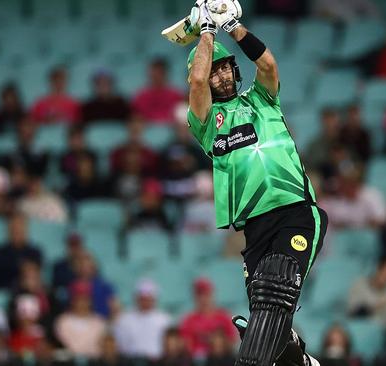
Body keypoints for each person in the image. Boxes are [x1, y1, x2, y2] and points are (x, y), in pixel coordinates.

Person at [185, 3, 329, 365]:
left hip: (295, 211)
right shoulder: (207, 123)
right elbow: (197, 81)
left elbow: (266, 64)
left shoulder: (264, 100)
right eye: (213, 72)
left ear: (234, 68)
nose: (218, 77)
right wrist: (206, 32)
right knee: (268, 315)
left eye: (224, 68)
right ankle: (299, 356)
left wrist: (231, 25)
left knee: (275, 289)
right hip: (255, 228)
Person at [113, 279, 171, 359]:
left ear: (154, 299)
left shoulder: (164, 320)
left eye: (148, 298)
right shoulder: (124, 320)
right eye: (142, 298)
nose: (145, 301)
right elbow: (120, 346)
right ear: (136, 298)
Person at [179, 278, 237, 358]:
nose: (203, 298)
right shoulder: (189, 320)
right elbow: (187, 346)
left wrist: (215, 343)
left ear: (211, 295)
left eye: (206, 294)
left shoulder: (224, 317)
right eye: (199, 295)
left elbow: (232, 342)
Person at [54, 280, 106, 357]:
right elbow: (66, 345)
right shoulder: (63, 321)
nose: (82, 303)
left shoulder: (99, 322)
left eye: (85, 299)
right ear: (73, 301)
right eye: (79, 299)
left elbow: (99, 346)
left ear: (90, 301)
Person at [0, 213, 42, 289]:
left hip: (29, 291)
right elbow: (0, 273)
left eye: (20, 228)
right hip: (5, 290)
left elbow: (36, 274)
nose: (17, 231)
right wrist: (22, 267)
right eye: (14, 228)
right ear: (8, 230)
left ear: (26, 230)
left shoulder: (35, 252)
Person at [347, 256, 386, 326]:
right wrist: (374, 307)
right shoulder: (360, 284)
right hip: (356, 328)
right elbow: (352, 312)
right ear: (378, 269)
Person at [132, 58, 184, 123]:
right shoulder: (141, 96)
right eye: (153, 73)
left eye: (159, 73)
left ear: (165, 74)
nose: (156, 76)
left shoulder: (176, 95)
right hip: (147, 129)